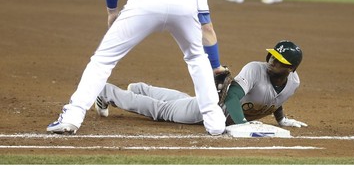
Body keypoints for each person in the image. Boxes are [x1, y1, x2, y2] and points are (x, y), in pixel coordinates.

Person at [47, 0, 228, 136]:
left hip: (145, 1)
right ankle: (214, 121)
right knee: (196, 58)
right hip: (183, 3)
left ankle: (72, 117)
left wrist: (112, 11)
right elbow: (207, 28)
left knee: (103, 59)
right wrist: (216, 65)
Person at [95, 40, 307, 129]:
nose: (272, 62)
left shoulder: (293, 83)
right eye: (272, 57)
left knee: (183, 102)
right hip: (210, 110)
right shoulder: (255, 69)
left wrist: (282, 120)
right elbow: (233, 95)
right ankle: (107, 92)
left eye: (280, 62)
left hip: (210, 109)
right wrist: (242, 124)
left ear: (292, 69)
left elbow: (276, 99)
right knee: (161, 111)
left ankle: (141, 89)